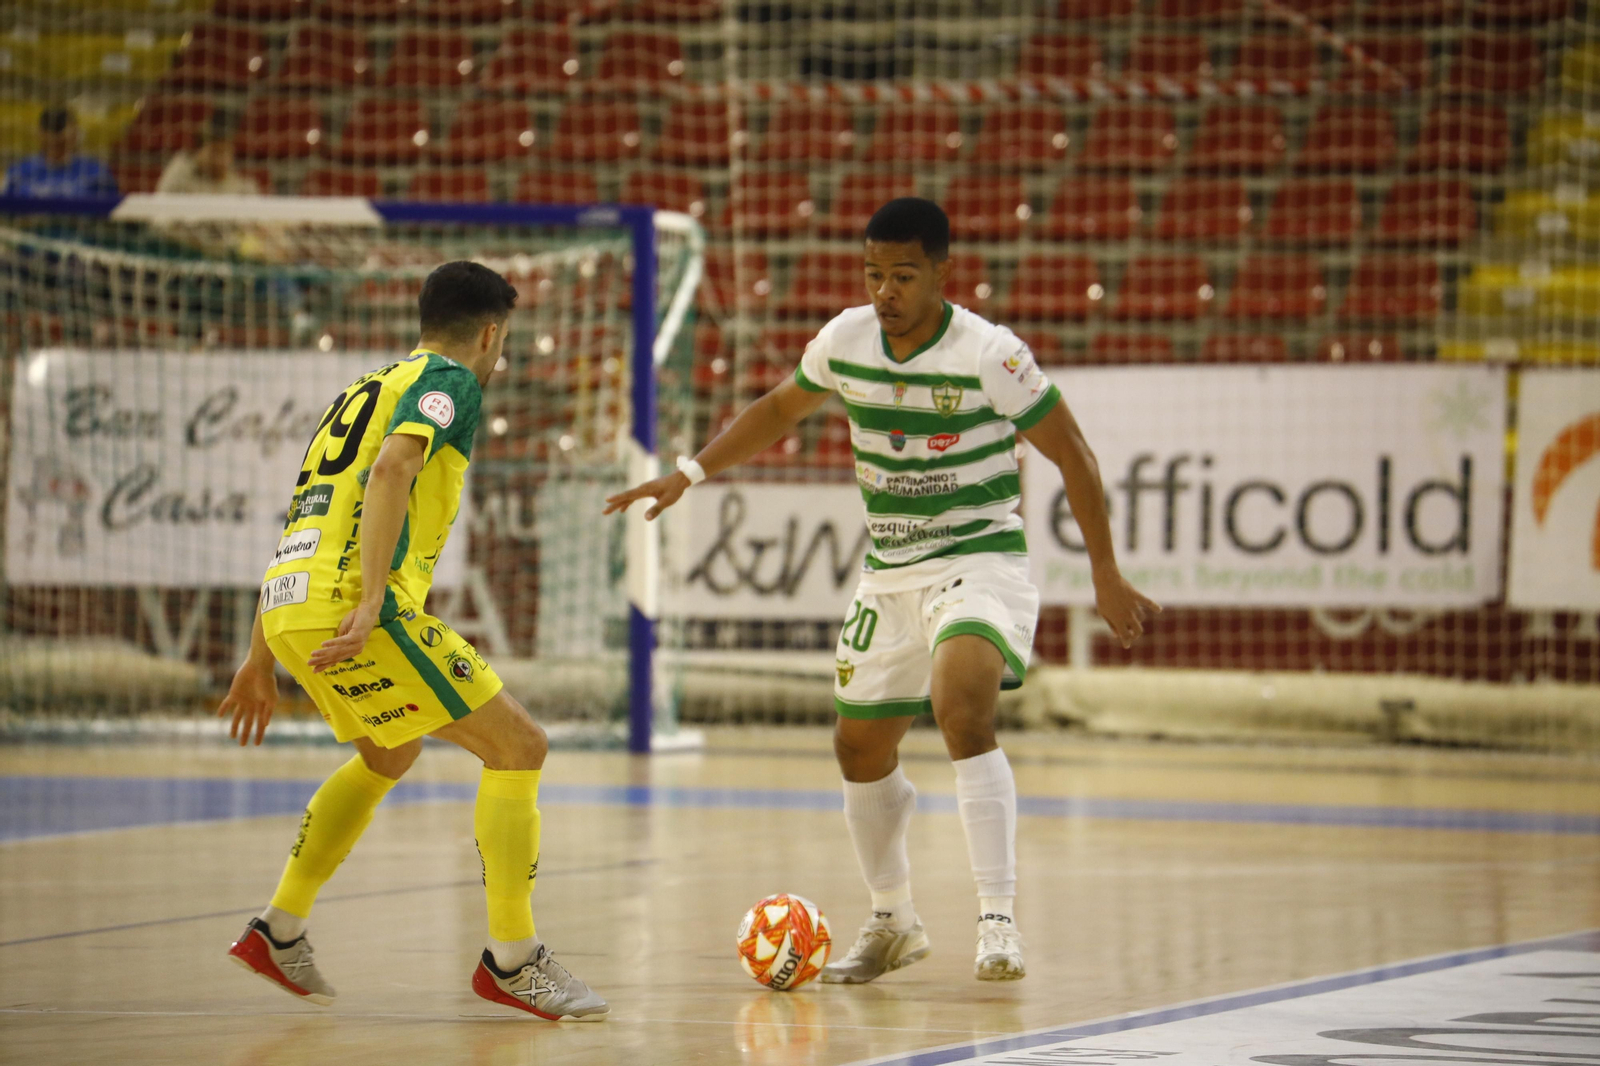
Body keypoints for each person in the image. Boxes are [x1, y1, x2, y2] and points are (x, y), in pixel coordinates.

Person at [604, 198, 1159, 983]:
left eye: (903, 275)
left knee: (961, 708)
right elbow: (780, 407)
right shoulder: (845, 339)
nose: (885, 291)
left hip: (977, 560)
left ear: (941, 272)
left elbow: (1074, 454)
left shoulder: (990, 354)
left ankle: (997, 919)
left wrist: (1104, 570)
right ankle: (894, 919)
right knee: (858, 746)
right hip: (890, 571)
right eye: (873, 274)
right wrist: (689, 473)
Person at [217, 261, 609, 1022]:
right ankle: (514, 960)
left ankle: (279, 929)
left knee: (388, 754)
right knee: (519, 747)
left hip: (290, 605)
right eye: (504, 341)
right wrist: (371, 600)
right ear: (490, 333)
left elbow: (308, 517)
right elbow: (395, 468)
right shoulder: (450, 381)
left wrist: (259, 655)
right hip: (354, 607)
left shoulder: (360, 391)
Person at [2, 106, 119, 198]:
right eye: (48, 130)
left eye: (60, 137)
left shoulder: (96, 173)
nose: (54, 138)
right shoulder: (19, 172)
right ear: (39, 134)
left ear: (76, 134)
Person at [156, 113, 261, 195]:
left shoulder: (242, 188)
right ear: (198, 151)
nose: (221, 159)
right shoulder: (179, 176)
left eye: (226, 152)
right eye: (215, 151)